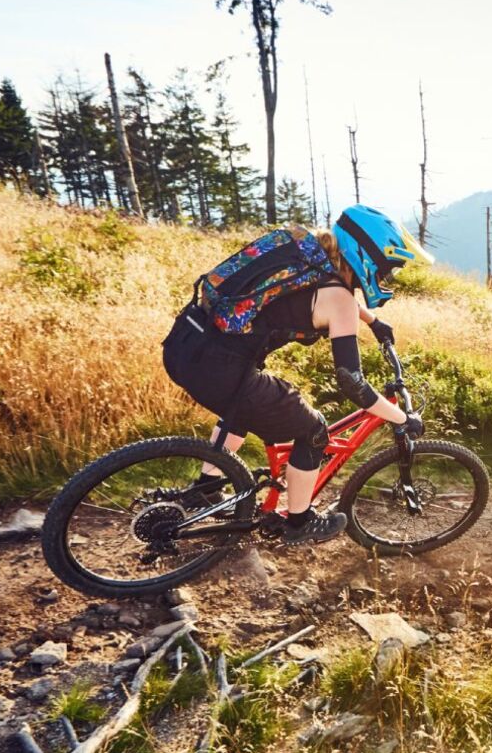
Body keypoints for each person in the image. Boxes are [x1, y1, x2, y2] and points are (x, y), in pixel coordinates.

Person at [162, 205, 432, 546]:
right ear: (368, 257)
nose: (387, 277)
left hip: (187, 345)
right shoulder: (340, 301)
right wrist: (400, 417)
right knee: (314, 430)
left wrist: (372, 322)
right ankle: (300, 522)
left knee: (245, 408)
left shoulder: (310, 256)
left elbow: (321, 291)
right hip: (222, 369)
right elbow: (352, 382)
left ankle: (205, 488)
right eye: (388, 268)